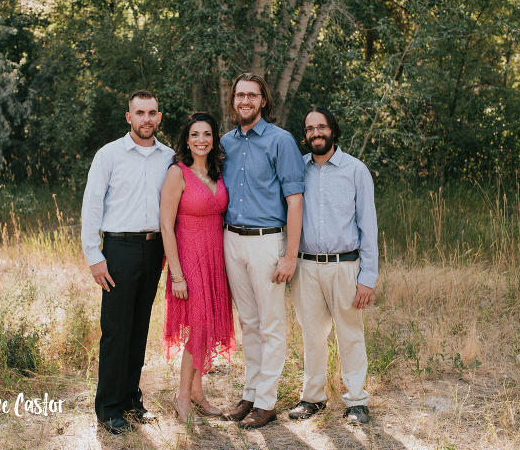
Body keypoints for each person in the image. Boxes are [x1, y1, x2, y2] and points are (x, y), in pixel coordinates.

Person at [81, 90, 174, 435]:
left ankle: (132, 401)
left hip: (153, 251)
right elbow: (92, 205)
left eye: (152, 113)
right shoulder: (109, 155)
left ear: (159, 117)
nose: (146, 119)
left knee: (138, 329)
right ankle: (108, 408)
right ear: (129, 117)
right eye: (140, 113)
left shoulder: (169, 157)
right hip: (118, 250)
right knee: (117, 331)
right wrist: (94, 256)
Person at [221, 72, 305, 428]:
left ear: (263, 101)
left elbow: (296, 200)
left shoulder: (280, 141)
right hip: (231, 239)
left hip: (267, 240)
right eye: (240, 95)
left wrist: (290, 254)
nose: (245, 101)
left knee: (271, 324)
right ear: (233, 101)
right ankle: (251, 393)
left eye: (252, 96)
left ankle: (267, 402)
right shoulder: (224, 142)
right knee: (248, 322)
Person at [288, 107, 378, 426]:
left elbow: (368, 226)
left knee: (350, 333)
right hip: (306, 267)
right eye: (310, 129)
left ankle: (356, 400)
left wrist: (367, 277)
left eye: (322, 127)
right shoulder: (296, 169)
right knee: (312, 335)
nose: (316, 133)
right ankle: (312, 398)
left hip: (345, 266)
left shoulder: (356, 170)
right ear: (305, 135)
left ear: (333, 131)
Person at [160, 112, 236, 423]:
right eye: (195, 134)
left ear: (214, 138)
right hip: (188, 258)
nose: (201, 140)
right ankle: (181, 395)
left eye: (207, 134)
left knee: (207, 325)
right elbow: (166, 225)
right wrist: (176, 274)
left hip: (215, 257)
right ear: (186, 140)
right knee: (200, 323)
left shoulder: (219, 173)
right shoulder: (177, 174)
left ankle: (197, 391)